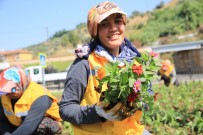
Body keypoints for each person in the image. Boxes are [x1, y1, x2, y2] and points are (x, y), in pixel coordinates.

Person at [59, 1, 151, 135]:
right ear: (95, 30)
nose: (113, 28)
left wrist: (140, 100)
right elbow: (65, 109)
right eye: (105, 24)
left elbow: (148, 94)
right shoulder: (84, 63)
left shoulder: (134, 60)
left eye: (118, 21)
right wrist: (97, 112)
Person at [0, 65, 62, 135]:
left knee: (43, 125)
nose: (8, 94)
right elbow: (3, 121)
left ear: (21, 84)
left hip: (38, 126)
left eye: (12, 90)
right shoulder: (4, 97)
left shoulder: (40, 96)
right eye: (5, 91)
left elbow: (28, 127)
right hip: (19, 125)